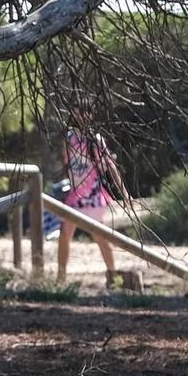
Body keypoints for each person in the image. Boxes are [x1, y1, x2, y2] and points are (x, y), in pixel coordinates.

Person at [57, 114, 139, 291]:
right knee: (64, 234)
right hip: (74, 195)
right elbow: (67, 166)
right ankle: (60, 278)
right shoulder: (69, 138)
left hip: (93, 194)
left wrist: (124, 193)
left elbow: (110, 166)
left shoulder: (95, 140)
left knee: (100, 236)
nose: (80, 115)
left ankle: (112, 277)